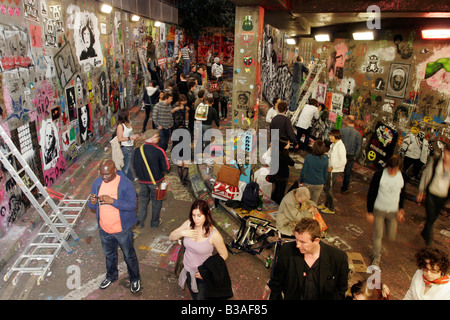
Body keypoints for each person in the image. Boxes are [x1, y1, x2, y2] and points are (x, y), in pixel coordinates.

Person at [88, 159, 141, 293]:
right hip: (104, 229)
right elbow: (92, 205)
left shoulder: (125, 184)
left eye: (107, 174)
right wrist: (92, 201)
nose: (104, 177)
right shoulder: (97, 183)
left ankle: (135, 279)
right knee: (109, 255)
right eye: (102, 174)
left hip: (121, 230)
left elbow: (132, 205)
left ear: (115, 170)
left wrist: (113, 201)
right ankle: (111, 276)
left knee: (129, 256)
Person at [269, 218, 349, 299]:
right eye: (296, 239)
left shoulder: (338, 258)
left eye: (303, 242)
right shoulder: (287, 250)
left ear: (316, 241)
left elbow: (341, 291)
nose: (297, 245)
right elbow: (276, 284)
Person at [169, 199, 229, 300]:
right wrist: (182, 233)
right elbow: (171, 237)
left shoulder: (213, 234)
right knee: (194, 295)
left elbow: (224, 254)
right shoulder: (189, 224)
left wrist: (207, 270)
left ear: (207, 214)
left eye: (199, 216)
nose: (196, 219)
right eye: (193, 215)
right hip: (187, 270)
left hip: (203, 276)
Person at [366, 155, 407, 267]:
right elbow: (371, 194)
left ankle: (379, 248)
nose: (392, 171)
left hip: (393, 211)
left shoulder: (402, 176)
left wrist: (401, 209)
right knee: (378, 235)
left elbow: (402, 193)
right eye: (390, 168)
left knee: (391, 235)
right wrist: (369, 211)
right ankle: (376, 257)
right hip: (379, 209)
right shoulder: (379, 175)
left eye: (395, 169)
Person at [133, 130, 170, 228]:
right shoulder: (159, 151)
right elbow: (166, 167)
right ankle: (154, 223)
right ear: (152, 138)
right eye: (157, 136)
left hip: (142, 181)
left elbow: (133, 166)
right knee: (156, 202)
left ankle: (140, 222)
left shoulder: (137, 150)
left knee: (143, 201)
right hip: (156, 182)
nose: (158, 138)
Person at [417, 143, 450, 246]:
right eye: (445, 153)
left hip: (443, 197)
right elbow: (426, 175)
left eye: (448, 154)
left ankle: (424, 232)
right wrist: (421, 190)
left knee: (433, 218)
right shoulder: (435, 162)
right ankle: (428, 242)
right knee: (431, 218)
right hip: (432, 193)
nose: (446, 156)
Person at [319, 129, 346, 215]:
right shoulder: (334, 144)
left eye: (331, 136)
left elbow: (343, 161)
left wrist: (333, 166)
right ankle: (326, 204)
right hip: (330, 169)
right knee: (327, 187)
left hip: (334, 171)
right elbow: (331, 155)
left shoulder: (340, 147)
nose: (330, 137)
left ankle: (331, 208)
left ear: (336, 137)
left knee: (328, 188)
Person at [299, 140, 329, 205]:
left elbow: (303, 171)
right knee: (314, 202)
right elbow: (325, 172)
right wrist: (324, 182)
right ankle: (312, 214)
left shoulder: (309, 157)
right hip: (319, 183)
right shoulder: (325, 158)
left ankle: (304, 214)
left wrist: (301, 181)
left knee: (305, 201)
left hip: (308, 183)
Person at [171, 94, 191, 186]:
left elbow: (173, 141)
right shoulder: (187, 130)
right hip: (186, 150)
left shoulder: (174, 131)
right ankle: (184, 180)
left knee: (179, 165)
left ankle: (181, 180)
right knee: (186, 165)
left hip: (177, 150)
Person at [340, 115, 362, 194]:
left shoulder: (342, 130)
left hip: (341, 154)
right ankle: (344, 188)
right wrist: (356, 155)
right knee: (347, 172)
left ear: (347, 121)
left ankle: (330, 184)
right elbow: (359, 146)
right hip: (351, 155)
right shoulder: (357, 134)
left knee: (336, 169)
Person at [116, 108, 139, 181]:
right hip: (126, 148)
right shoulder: (120, 126)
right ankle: (123, 181)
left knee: (128, 164)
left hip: (130, 146)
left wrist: (134, 137)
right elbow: (120, 138)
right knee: (126, 166)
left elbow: (129, 134)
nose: (130, 114)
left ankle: (130, 177)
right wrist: (130, 137)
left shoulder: (128, 123)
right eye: (128, 113)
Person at [270, 137, 295, 205]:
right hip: (283, 175)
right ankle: (278, 204)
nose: (289, 144)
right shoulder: (284, 155)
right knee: (281, 191)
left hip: (276, 173)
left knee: (276, 189)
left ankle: (273, 201)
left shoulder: (275, 151)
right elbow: (292, 163)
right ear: (283, 145)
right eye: (288, 143)